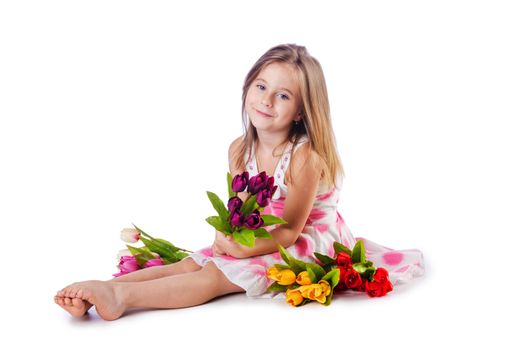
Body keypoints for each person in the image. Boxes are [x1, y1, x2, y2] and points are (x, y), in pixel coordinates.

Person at [54, 43, 424, 320]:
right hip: (264, 233)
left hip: (307, 240)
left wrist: (242, 250)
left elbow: (292, 231)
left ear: (300, 112)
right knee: (192, 263)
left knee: (215, 275)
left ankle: (123, 300)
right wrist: (227, 236)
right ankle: (105, 290)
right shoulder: (238, 150)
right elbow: (242, 212)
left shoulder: (304, 157)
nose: (267, 101)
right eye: (261, 87)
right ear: (247, 87)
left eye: (283, 95)